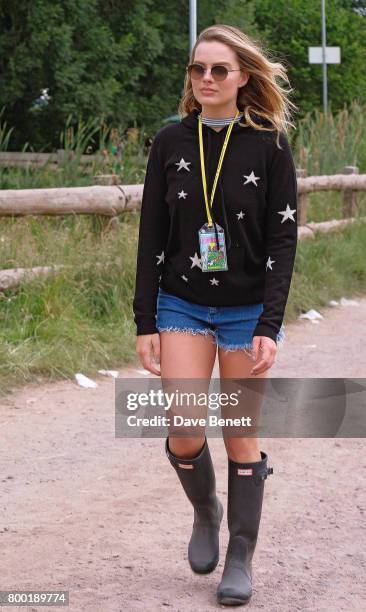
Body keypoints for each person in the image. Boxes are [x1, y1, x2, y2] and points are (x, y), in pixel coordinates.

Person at [133, 23, 298, 607]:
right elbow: (151, 232)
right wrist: (144, 320)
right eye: (197, 69)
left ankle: (241, 555)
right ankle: (206, 509)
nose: (206, 79)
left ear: (243, 77)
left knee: (239, 435)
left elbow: (284, 243)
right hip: (181, 302)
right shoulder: (169, 142)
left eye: (219, 70)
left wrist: (268, 325)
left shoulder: (270, 144)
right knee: (182, 429)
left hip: (245, 310)